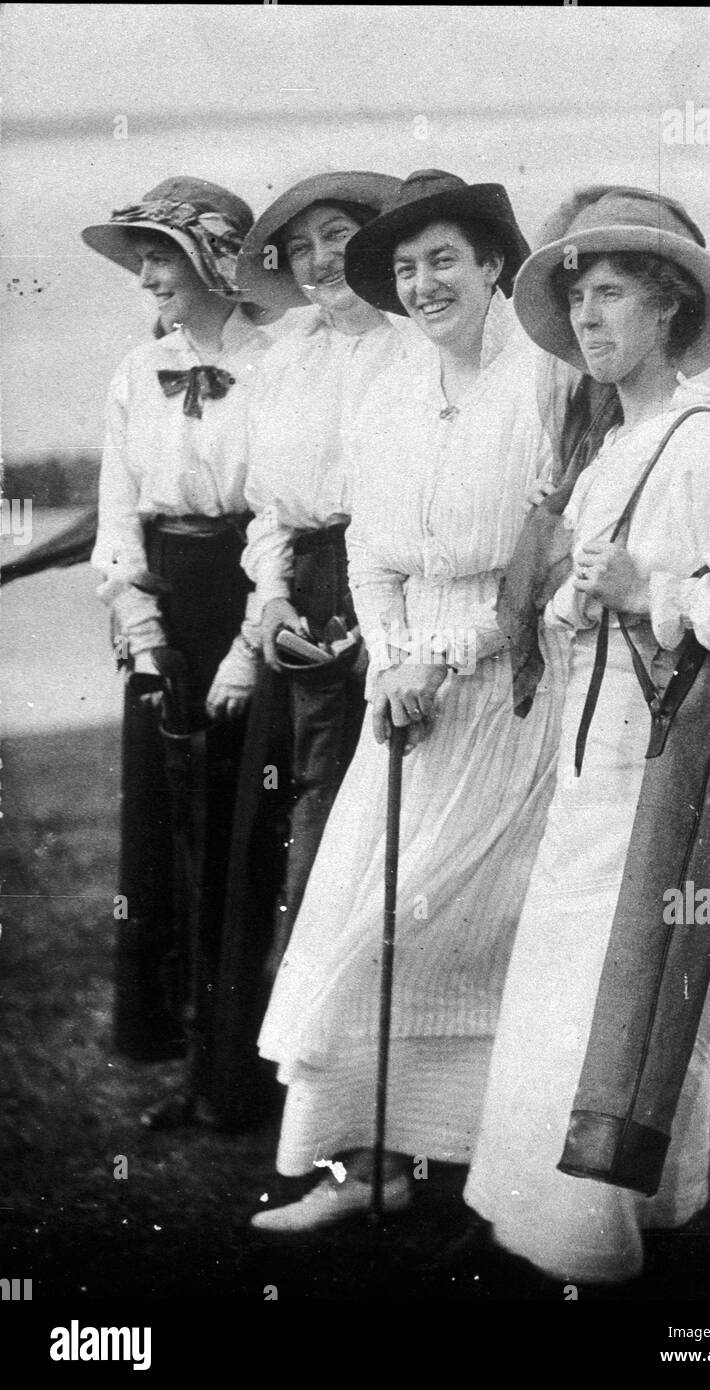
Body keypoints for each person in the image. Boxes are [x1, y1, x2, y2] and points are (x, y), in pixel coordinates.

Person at [464, 187, 710, 1283]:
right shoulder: (614, 445)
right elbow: (590, 591)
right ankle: (625, 1207)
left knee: (611, 980)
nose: (586, 319)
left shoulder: (704, 447)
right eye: (576, 299)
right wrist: (579, 596)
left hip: (653, 762)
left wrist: (649, 589)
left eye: (609, 293)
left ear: (665, 306)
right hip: (593, 749)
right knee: (588, 973)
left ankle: (583, 1234)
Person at [250, 169, 573, 1231]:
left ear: (492, 265)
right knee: (360, 915)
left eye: (443, 259)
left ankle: (501, 1173)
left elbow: (552, 563)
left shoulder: (547, 384)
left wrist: (446, 655)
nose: (423, 282)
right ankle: (368, 1169)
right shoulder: (388, 393)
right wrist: (391, 658)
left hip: (513, 686)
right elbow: (373, 559)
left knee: (457, 932)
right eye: (403, 268)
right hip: (408, 702)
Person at [209, 171, 415, 1129]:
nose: (322, 258)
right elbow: (268, 508)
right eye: (300, 247)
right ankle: (296, 1077)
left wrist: (380, 621)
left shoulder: (413, 350)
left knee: (368, 821)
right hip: (303, 594)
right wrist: (275, 596)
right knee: (298, 818)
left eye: (340, 235)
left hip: (393, 592)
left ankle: (374, 1090)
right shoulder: (285, 356)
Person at [83, 177, 273, 1117]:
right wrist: (144, 635)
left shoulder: (280, 366)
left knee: (244, 844)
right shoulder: (132, 372)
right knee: (167, 839)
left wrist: (248, 645)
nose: (147, 276)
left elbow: (282, 512)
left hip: (249, 602)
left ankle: (244, 1074)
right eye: (141, 259)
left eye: (160, 255)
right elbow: (118, 512)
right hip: (165, 609)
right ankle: (193, 1060)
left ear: (213, 262)